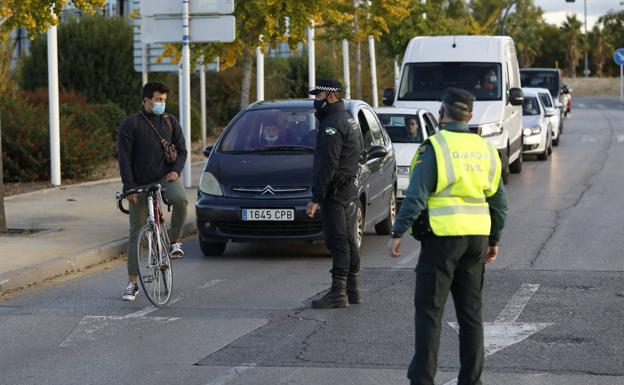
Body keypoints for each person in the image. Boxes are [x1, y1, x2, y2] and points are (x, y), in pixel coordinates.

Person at [388, 87, 508, 385]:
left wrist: (398, 231)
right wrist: (494, 239)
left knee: (430, 312)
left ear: (442, 113)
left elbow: (416, 195)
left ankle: (423, 380)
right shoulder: (486, 150)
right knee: (471, 315)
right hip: (476, 240)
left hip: (442, 239)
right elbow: (499, 203)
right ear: (469, 115)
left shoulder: (434, 147)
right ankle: (471, 381)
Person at [117, 82, 188, 301]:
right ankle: (132, 283)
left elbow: (182, 150)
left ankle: (174, 240)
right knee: (135, 231)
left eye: (164, 100)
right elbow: (124, 158)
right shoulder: (131, 124)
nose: (161, 104)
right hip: (137, 182)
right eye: (158, 99)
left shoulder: (170, 121)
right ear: (146, 100)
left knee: (180, 200)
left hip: (164, 177)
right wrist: (129, 186)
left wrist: (176, 171)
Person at [306, 78, 363, 309]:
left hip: (335, 190)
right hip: (347, 187)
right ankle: (352, 289)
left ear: (331, 96)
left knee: (337, 240)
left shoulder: (333, 123)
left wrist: (316, 198)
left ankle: (339, 292)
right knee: (348, 239)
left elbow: (327, 164)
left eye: (318, 96)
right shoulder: (347, 119)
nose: (316, 102)